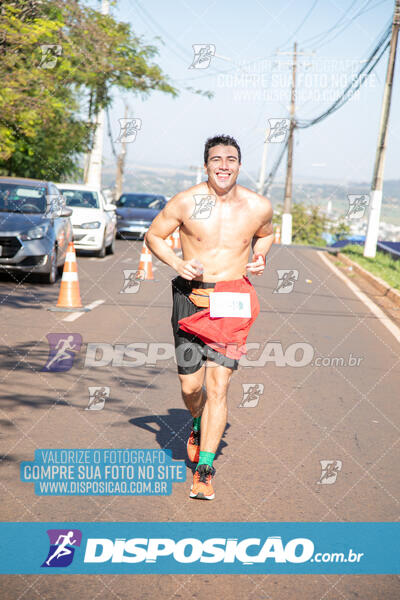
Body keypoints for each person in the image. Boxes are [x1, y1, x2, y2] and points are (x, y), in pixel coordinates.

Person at [145, 134, 274, 500]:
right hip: (190, 298)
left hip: (232, 302)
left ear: (238, 165)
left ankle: (204, 469)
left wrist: (261, 255)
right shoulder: (186, 202)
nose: (223, 165)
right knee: (192, 388)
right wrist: (177, 262)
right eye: (216, 159)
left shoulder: (257, 205)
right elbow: (154, 236)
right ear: (205, 165)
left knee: (219, 388)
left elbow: (265, 235)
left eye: (230, 159)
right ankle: (196, 421)